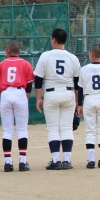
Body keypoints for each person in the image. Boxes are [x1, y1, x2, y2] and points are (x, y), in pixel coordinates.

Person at [34, 28, 81, 170]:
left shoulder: (45, 56)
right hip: (68, 93)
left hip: (51, 93)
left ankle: (56, 161)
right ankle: (66, 161)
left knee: (53, 128)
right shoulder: (73, 57)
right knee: (67, 127)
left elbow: (38, 79)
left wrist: (38, 98)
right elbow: (77, 82)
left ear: (53, 40)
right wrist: (78, 101)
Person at [0, 40, 34, 172]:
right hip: (20, 92)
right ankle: (22, 161)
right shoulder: (26, 64)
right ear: (19, 51)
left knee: (7, 131)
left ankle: (7, 162)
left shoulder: (1, 64)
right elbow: (29, 84)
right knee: (22, 129)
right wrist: (25, 96)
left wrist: (1, 96)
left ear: (8, 51)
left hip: (5, 93)